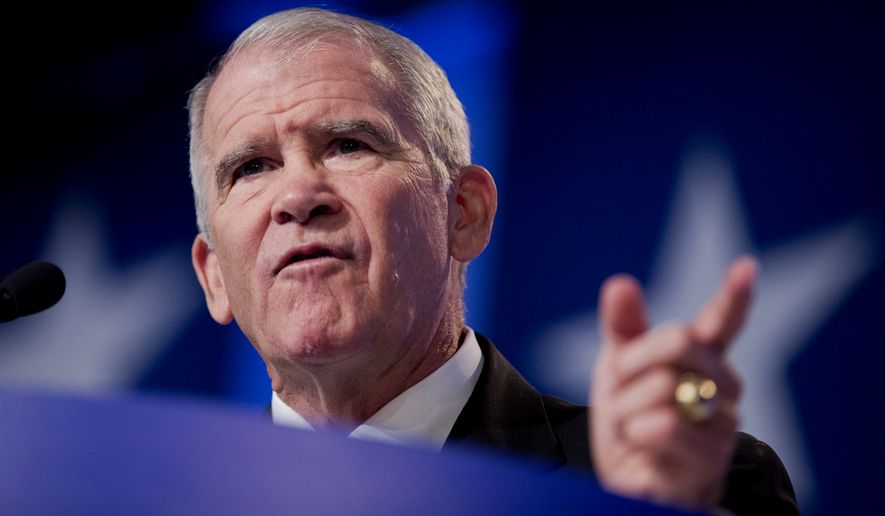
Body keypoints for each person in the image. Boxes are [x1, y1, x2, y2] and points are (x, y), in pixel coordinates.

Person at [187, 7, 798, 514]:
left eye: (348, 144)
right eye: (251, 168)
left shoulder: (670, 489)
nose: (297, 197)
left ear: (464, 213)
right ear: (214, 275)